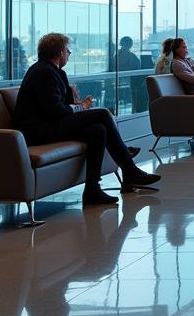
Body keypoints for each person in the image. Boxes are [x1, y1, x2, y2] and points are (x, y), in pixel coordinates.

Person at [12, 32, 160, 206]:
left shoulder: (54, 72)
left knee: (98, 131)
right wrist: (80, 107)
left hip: (49, 125)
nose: (69, 53)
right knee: (102, 114)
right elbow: (56, 111)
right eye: (67, 50)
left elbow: (61, 107)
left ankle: (92, 190)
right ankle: (129, 169)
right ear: (60, 52)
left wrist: (75, 101)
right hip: (36, 132)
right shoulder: (43, 72)